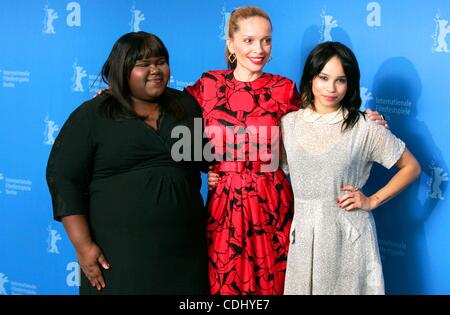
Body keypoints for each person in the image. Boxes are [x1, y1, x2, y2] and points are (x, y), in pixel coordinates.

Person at [188, 6, 387, 295]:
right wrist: (121, 96)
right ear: (231, 44)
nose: (259, 49)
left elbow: (321, 119)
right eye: (249, 40)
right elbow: (170, 114)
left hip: (273, 203)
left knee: (276, 284)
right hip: (224, 207)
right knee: (225, 287)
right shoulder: (209, 85)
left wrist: (364, 119)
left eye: (266, 40)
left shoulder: (282, 89)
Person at [46, 31, 209, 294]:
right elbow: (65, 179)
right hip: (118, 261)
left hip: (185, 258)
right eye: (143, 65)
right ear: (122, 70)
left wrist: (219, 169)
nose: (155, 70)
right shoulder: (94, 115)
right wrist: (84, 247)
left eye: (161, 61)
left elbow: (197, 157)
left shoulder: (184, 105)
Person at [280, 42, 421, 294]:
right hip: (303, 240)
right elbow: (268, 167)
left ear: (350, 83)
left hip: (348, 238)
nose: (331, 88)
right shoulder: (288, 125)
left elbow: (411, 167)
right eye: (323, 77)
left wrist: (373, 200)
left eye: (340, 80)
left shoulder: (364, 127)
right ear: (310, 77)